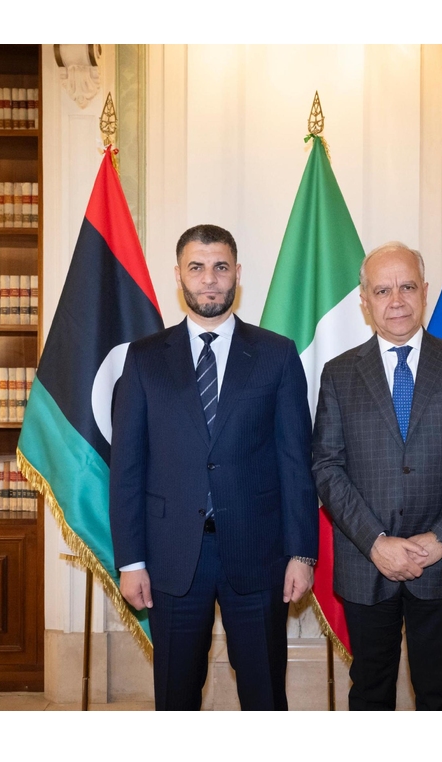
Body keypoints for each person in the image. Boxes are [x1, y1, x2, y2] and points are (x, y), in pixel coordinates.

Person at [110, 224, 318, 711]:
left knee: (265, 696)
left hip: (259, 554)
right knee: (176, 696)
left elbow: (296, 462)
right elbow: (128, 468)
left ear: (237, 274)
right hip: (172, 557)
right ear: (178, 275)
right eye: (197, 267)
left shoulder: (276, 354)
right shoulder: (144, 359)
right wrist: (131, 562)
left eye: (220, 267)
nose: (209, 279)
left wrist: (302, 554)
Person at [311, 241, 442, 711]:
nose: (396, 300)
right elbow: (327, 466)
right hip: (366, 561)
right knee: (370, 691)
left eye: (407, 287)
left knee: (437, 692)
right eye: (382, 290)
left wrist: (441, 539)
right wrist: (376, 542)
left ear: (425, 291)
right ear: (365, 301)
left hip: (441, 561)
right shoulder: (339, 373)